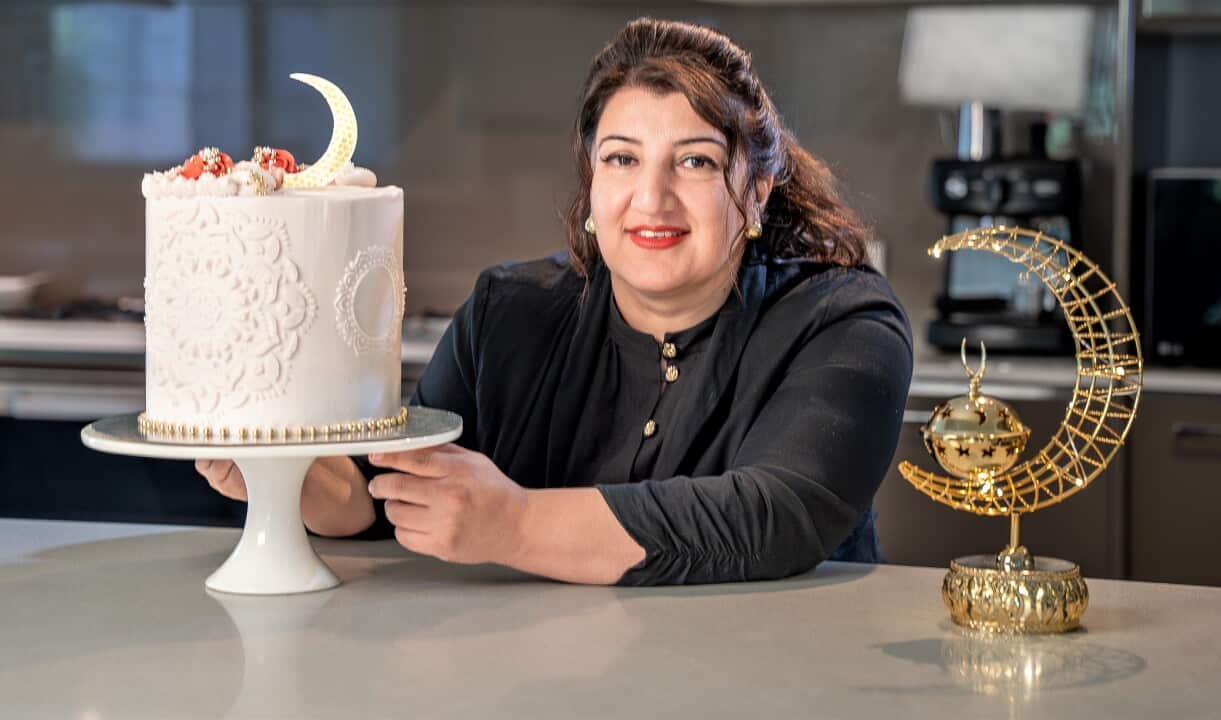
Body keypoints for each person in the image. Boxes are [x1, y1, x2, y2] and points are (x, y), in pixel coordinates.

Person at [197, 17, 912, 586]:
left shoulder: (842, 321)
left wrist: (513, 523)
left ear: (755, 190)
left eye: (694, 161)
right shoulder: (510, 314)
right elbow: (379, 498)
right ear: (592, 183)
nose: (651, 198)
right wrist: (277, 474)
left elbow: (775, 516)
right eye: (622, 159)